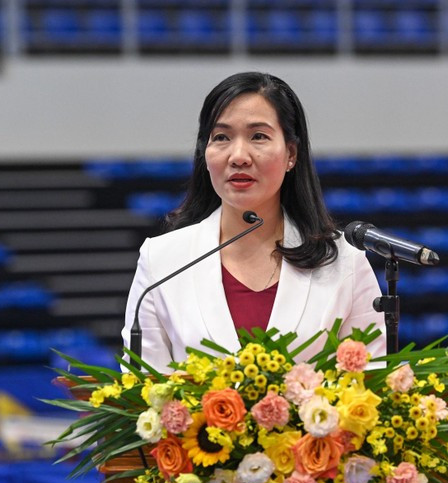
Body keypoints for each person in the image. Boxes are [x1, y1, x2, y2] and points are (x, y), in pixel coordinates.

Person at [122, 72, 384, 372]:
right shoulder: (162, 261)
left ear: (291, 154)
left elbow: (370, 389)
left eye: (258, 136)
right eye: (221, 137)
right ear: (204, 154)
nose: (238, 156)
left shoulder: (343, 261)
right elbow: (142, 397)